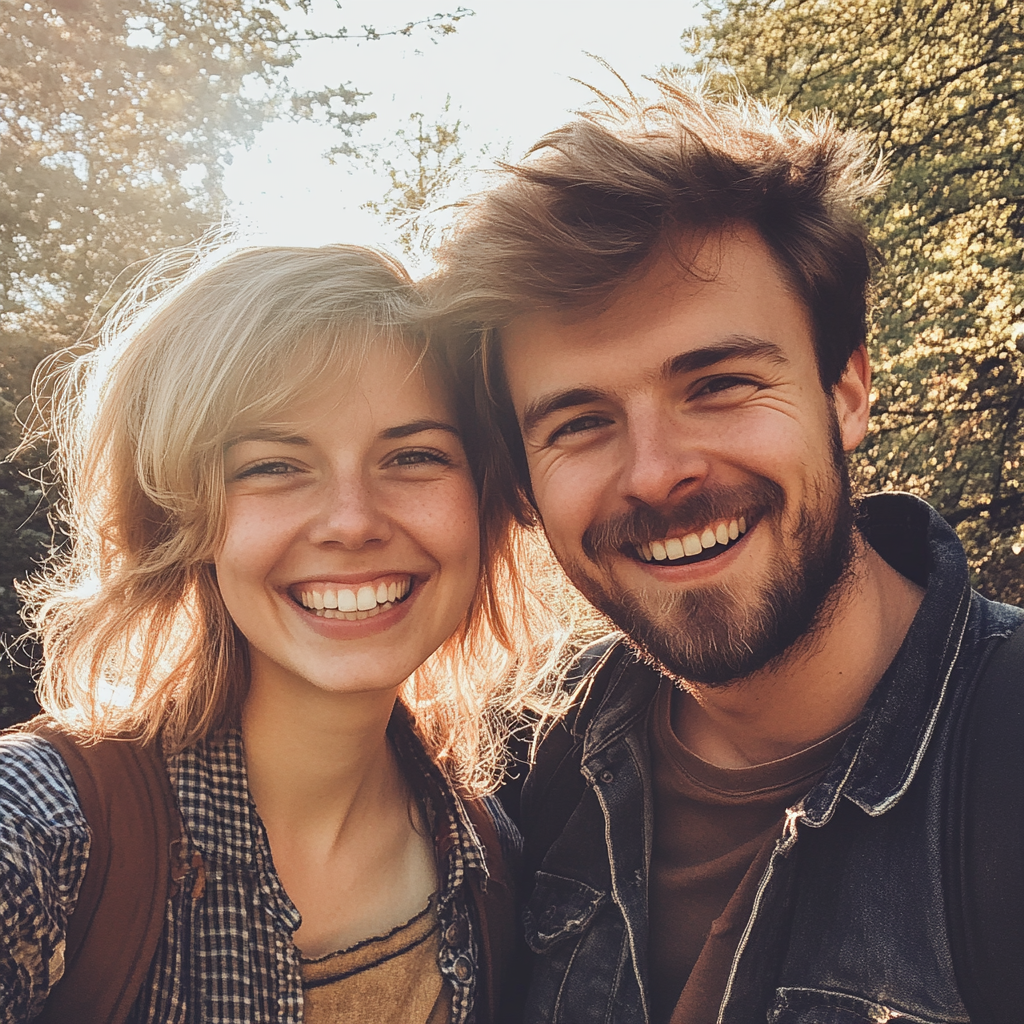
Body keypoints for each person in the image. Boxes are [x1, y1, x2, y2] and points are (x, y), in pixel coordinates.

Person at [431, 78, 1024, 1023]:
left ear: (847, 391)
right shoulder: (512, 776)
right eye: (581, 423)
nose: (657, 474)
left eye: (718, 384)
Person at [0, 244, 537, 1024]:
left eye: (414, 455)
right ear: (181, 515)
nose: (353, 521)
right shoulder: (44, 831)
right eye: (273, 466)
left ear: (486, 503)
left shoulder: (496, 863)